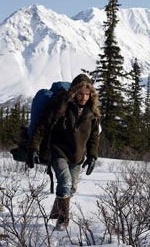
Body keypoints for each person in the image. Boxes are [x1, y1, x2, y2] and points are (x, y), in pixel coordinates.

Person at [27, 73, 101, 231]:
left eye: (87, 94)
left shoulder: (92, 113)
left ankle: (56, 210)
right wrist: (33, 147)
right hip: (58, 151)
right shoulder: (61, 106)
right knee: (65, 182)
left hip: (77, 155)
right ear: (74, 92)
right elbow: (42, 126)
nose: (83, 97)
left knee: (72, 188)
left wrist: (92, 156)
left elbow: (94, 136)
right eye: (80, 93)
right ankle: (63, 219)